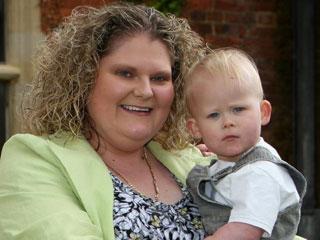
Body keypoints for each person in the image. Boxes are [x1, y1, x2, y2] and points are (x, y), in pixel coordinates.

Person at [0, 2, 211, 239]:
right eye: (125, 73)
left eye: (159, 78)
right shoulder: (32, 161)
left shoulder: (194, 162)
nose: (145, 91)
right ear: (84, 78)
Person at [185, 48, 307, 240]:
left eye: (238, 109)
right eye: (214, 115)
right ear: (196, 129)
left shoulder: (262, 173)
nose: (228, 122)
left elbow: (246, 231)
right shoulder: (229, 165)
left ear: (263, 112)